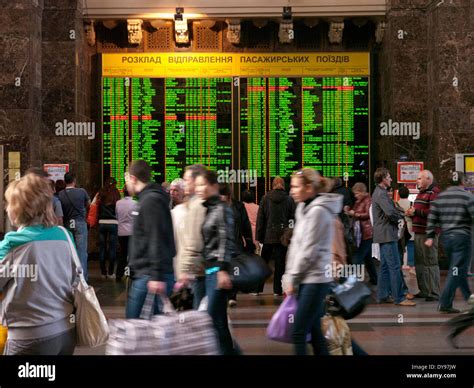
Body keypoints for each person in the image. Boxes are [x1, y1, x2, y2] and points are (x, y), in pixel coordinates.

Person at [0, 174, 76, 355]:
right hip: (65, 331)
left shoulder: (12, 243)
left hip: (27, 336)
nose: (6, 208)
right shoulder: (64, 236)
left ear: (18, 208)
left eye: (9, 203)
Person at [282, 168, 342, 355]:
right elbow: (296, 247)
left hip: (316, 279)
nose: (291, 191)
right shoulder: (303, 208)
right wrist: (289, 274)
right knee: (315, 333)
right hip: (307, 278)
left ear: (309, 188)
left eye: (295, 186)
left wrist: (293, 277)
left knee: (299, 331)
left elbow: (309, 250)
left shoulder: (318, 212)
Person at [125, 160, 176, 318]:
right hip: (148, 274)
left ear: (133, 178)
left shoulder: (150, 201)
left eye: (126, 179)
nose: (126, 184)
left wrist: (156, 276)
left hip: (149, 276)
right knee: (148, 330)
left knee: (137, 327)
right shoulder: (149, 199)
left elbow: (155, 238)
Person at [195, 170, 235, 355]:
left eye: (202, 184)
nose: (198, 189)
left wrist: (222, 268)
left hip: (216, 271)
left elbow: (226, 239)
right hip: (210, 271)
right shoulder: (210, 208)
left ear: (214, 186)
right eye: (197, 185)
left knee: (211, 320)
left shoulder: (221, 208)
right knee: (217, 321)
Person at [426, 171, 474, 314]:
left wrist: (429, 235)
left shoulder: (441, 197)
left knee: (459, 269)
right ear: (462, 181)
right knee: (456, 270)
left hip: (446, 238)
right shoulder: (467, 196)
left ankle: (469, 299)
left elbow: (432, 216)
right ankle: (445, 303)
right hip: (462, 238)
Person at [372, 168, 415, 306]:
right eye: (389, 177)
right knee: (395, 266)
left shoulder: (380, 192)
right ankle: (399, 297)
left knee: (385, 266)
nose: (391, 179)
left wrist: (400, 213)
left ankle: (383, 295)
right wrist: (402, 216)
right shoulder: (381, 194)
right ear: (383, 179)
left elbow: (391, 210)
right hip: (387, 234)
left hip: (383, 234)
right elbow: (390, 212)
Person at [256, 176, 295, 296]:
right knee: (280, 264)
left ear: (272, 185)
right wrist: (290, 235)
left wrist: (259, 237)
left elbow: (261, 219)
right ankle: (277, 290)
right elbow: (292, 219)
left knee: (263, 263)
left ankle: (257, 288)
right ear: (284, 185)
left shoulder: (265, 198)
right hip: (282, 237)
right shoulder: (289, 199)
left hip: (268, 235)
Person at [405, 170, 441, 301]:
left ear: (428, 179)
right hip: (419, 232)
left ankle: (434, 292)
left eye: (420, 178)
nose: (417, 180)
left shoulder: (434, 192)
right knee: (420, 262)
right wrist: (412, 213)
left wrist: (417, 212)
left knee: (430, 262)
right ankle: (424, 290)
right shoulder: (421, 193)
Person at [177, 164, 208, 310]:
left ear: (196, 181)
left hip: (197, 270)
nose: (184, 183)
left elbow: (195, 242)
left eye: (187, 179)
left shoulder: (197, 205)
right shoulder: (192, 204)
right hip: (198, 269)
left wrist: (184, 269)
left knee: (199, 313)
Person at [219, 183, 254, 307]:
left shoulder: (239, 206)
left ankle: (231, 296)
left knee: (233, 270)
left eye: (224, 194)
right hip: (220, 245)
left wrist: (249, 240)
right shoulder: (215, 207)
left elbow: (245, 225)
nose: (222, 197)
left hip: (235, 244)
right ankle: (224, 295)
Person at [58, 172, 91, 281]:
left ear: (65, 181)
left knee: (69, 252)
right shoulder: (81, 191)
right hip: (80, 222)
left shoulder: (61, 194)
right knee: (81, 252)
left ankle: (70, 278)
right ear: (74, 180)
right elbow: (89, 203)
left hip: (67, 224)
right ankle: (82, 279)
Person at [344, 182, 377, 285]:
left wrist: (356, 214)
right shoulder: (359, 201)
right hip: (360, 233)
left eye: (358, 193)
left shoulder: (368, 200)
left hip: (366, 233)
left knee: (357, 258)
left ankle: (350, 282)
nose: (356, 196)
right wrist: (349, 211)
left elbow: (368, 214)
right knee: (368, 259)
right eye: (355, 194)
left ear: (363, 192)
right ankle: (374, 279)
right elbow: (355, 211)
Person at [97, 177, 121, 279]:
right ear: (115, 184)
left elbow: (95, 206)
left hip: (102, 223)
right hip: (113, 223)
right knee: (112, 248)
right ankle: (111, 272)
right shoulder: (116, 194)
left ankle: (103, 272)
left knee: (102, 248)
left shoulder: (101, 193)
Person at [115, 186, 136, 282]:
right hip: (132, 232)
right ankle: (132, 273)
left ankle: (119, 274)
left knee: (122, 254)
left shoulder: (118, 203)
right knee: (132, 253)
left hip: (121, 231)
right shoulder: (135, 204)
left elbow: (117, 216)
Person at [397, 185, 415, 273]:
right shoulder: (411, 204)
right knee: (411, 246)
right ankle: (411, 267)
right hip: (410, 227)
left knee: (400, 247)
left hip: (400, 228)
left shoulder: (396, 204)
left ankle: (399, 267)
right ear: (408, 194)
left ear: (399, 194)